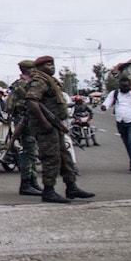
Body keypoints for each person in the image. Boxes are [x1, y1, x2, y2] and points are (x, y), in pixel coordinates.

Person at [24, 56, 95, 203]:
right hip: (46, 127)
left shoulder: (50, 80)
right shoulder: (39, 80)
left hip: (55, 124)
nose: (52, 67)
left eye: (52, 64)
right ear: (40, 67)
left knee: (64, 156)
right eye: (47, 64)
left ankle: (71, 187)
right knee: (51, 157)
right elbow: (32, 101)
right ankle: (49, 191)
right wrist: (45, 122)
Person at [6, 60, 42, 196]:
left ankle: (33, 182)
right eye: (33, 69)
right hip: (25, 120)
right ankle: (26, 184)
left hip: (26, 120)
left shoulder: (23, 83)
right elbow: (24, 103)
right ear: (27, 70)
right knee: (29, 151)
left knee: (33, 152)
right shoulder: (23, 84)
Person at [101, 76, 131, 174]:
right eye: (122, 86)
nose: (124, 88)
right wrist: (104, 106)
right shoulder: (115, 93)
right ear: (119, 85)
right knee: (127, 144)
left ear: (129, 85)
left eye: (126, 86)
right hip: (121, 122)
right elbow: (107, 103)